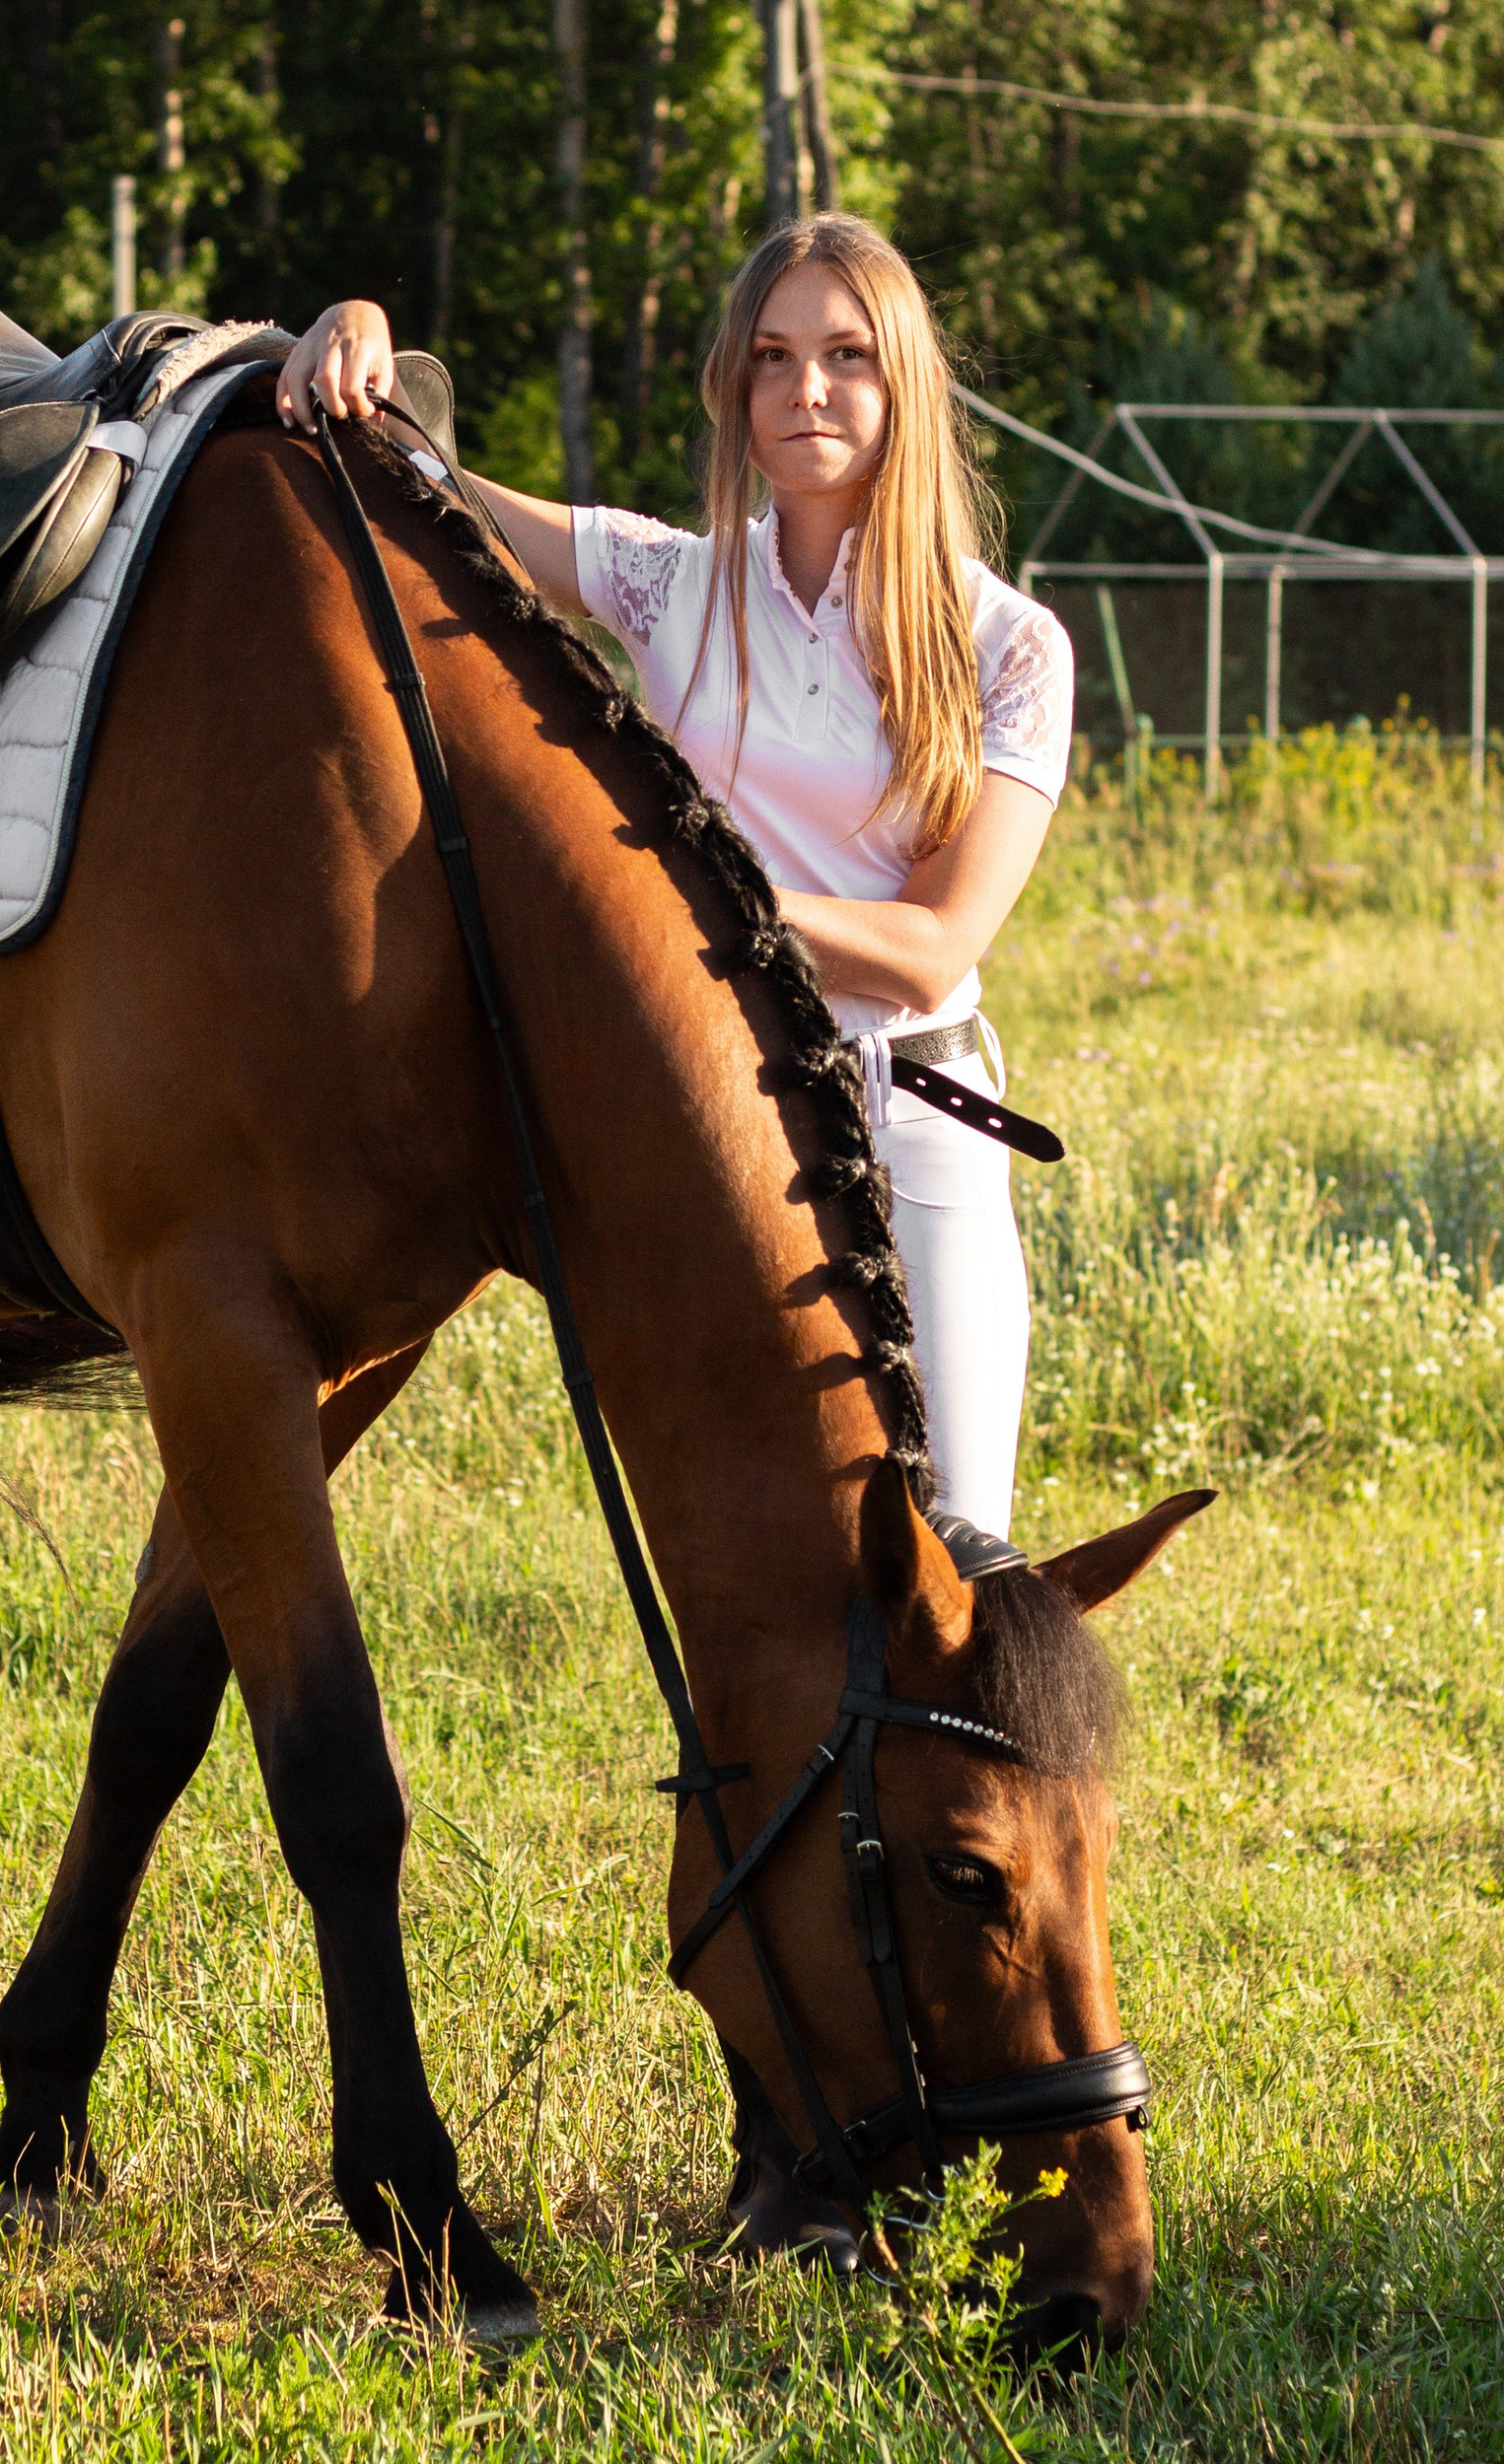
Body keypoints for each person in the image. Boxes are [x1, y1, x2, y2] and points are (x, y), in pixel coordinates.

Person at [274, 212, 1072, 1539]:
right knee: (752, 1541)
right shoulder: (673, 585)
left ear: (906, 384)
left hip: (914, 1111)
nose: (805, 388)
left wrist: (674, 892)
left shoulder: (1007, 645)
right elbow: (425, 496)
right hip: (712, 1109)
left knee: (956, 1549)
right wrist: (360, 336)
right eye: (771, 356)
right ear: (735, 388)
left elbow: (931, 948)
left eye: (845, 355)